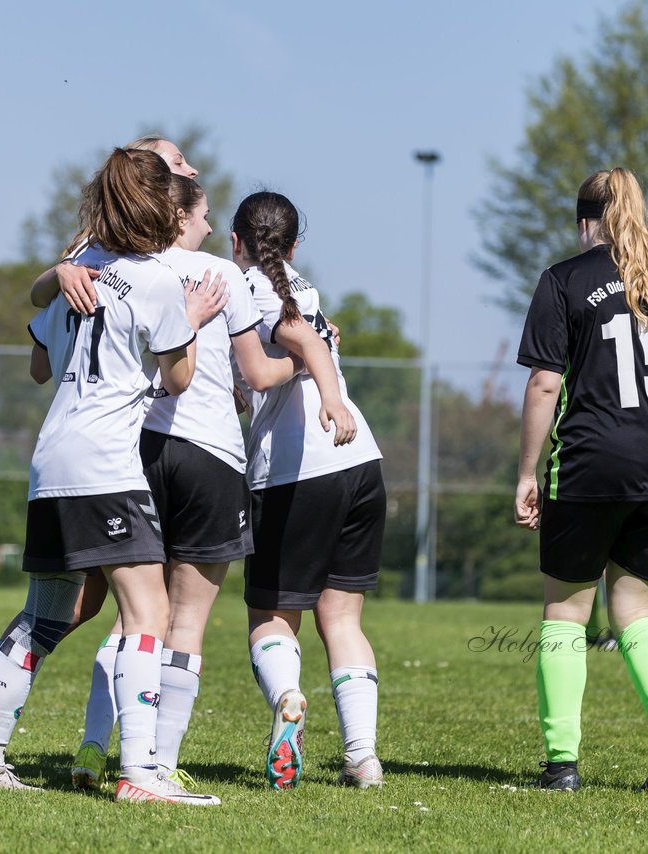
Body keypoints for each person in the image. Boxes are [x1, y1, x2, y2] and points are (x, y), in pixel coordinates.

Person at [0, 148, 227, 806]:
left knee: (44, 616)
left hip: (52, 459)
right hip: (106, 460)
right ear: (161, 206)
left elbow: (42, 356)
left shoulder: (87, 267)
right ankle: (140, 773)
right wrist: (188, 322)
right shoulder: (158, 280)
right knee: (149, 609)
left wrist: (59, 276)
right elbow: (179, 378)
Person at [61, 175, 342, 791]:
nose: (211, 225)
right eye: (204, 212)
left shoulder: (117, 267)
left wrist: (62, 267)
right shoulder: (224, 276)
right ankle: (154, 765)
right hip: (209, 454)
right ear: (184, 215)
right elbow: (259, 374)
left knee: (132, 616)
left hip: (139, 449)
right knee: (183, 621)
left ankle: (91, 746)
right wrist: (313, 354)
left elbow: (68, 289)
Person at [514, 167, 648, 793]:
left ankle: (562, 765)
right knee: (635, 608)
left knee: (565, 610)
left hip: (592, 462)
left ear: (585, 223)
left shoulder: (564, 280)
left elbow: (545, 382)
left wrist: (526, 472)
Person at [233, 191, 385, 791]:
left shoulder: (251, 287)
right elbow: (310, 336)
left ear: (237, 242)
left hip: (299, 470)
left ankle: (290, 698)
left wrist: (329, 397)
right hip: (361, 465)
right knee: (343, 618)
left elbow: (305, 342)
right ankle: (363, 757)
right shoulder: (303, 286)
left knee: (271, 616)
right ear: (296, 245)